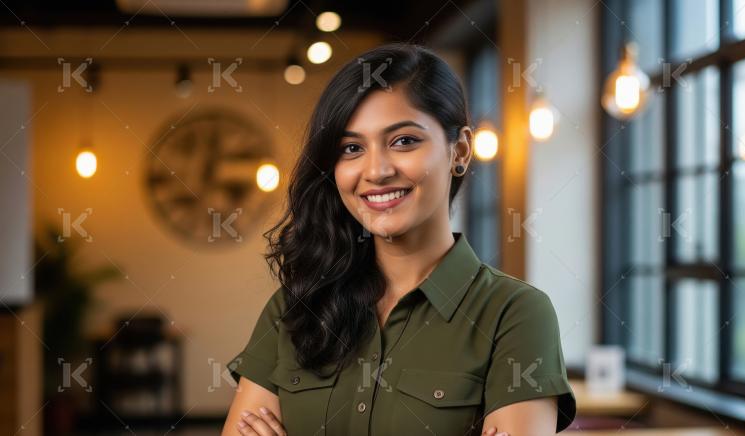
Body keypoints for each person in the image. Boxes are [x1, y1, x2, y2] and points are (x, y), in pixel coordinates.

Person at [222, 42, 576, 436]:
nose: (376, 171)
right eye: (351, 148)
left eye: (404, 141)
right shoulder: (296, 304)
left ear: (460, 150)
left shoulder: (516, 315)